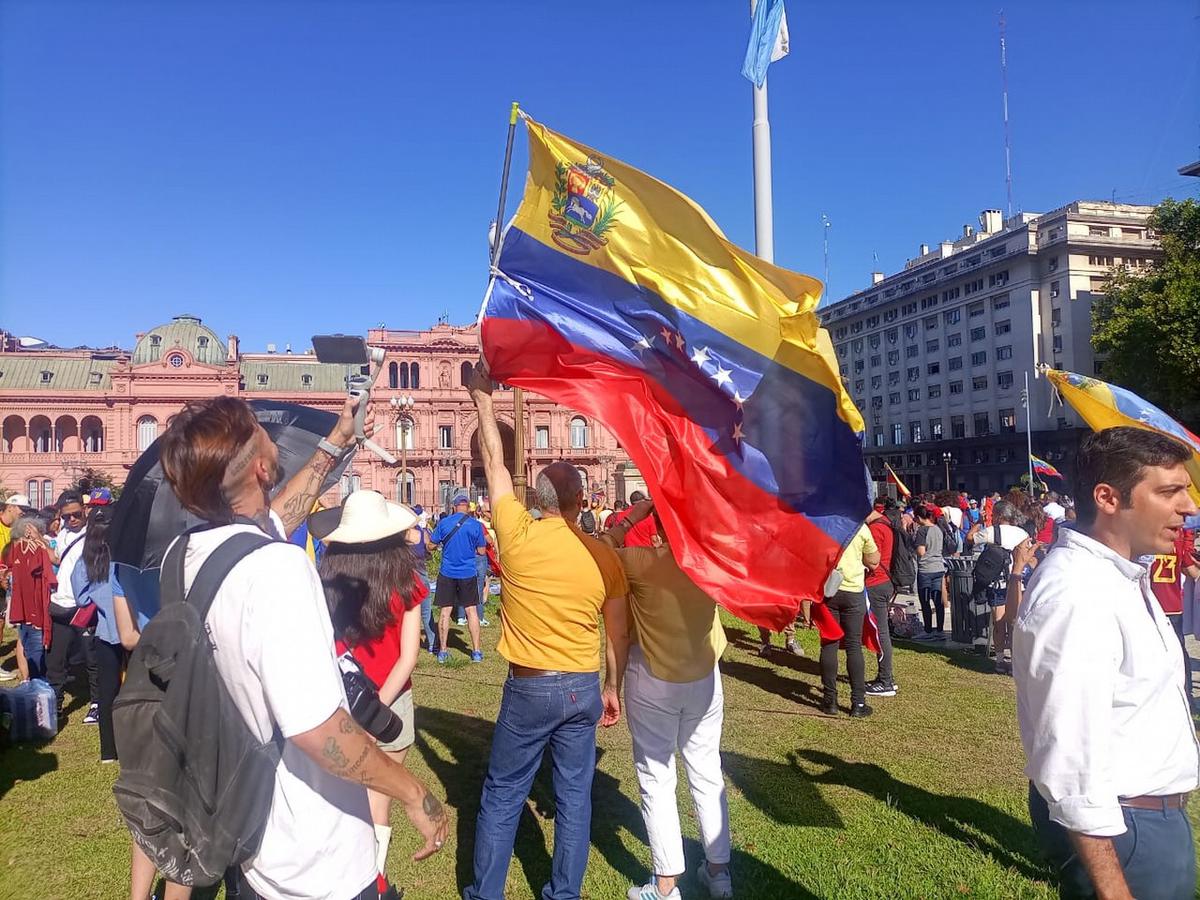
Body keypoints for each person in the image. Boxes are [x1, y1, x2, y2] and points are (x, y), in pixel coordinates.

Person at [154, 394, 447, 900]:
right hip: (314, 857)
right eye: (260, 430)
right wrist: (413, 793)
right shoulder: (278, 570)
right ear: (263, 467)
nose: (270, 433)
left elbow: (279, 515)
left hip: (246, 828)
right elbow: (318, 730)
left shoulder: (185, 557)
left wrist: (335, 444)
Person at [464, 362, 630, 900]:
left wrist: (483, 400)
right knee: (575, 796)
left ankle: (486, 893)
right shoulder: (604, 556)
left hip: (530, 684)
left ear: (537, 501)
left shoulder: (513, 533)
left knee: (504, 792)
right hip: (583, 684)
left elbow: (492, 460)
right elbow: (618, 635)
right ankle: (564, 893)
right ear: (582, 501)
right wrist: (613, 688)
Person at [1013, 427, 1199, 899]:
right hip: (1125, 830)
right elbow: (1070, 758)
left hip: (1146, 821)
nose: (1189, 507)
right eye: (1169, 491)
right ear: (1108, 498)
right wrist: (1113, 888)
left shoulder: (1118, 577)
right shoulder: (1078, 594)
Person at [603, 501, 733, 900]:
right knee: (707, 772)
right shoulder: (710, 561)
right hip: (703, 675)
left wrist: (635, 515)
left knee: (656, 778)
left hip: (654, 676)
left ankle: (664, 886)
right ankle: (719, 873)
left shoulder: (640, 561)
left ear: (657, 525)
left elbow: (602, 549)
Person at [316, 490, 428, 893]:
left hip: (342, 697)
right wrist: (377, 707)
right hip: (391, 704)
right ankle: (374, 880)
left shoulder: (328, 576)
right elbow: (409, 656)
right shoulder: (407, 580)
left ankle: (347, 874)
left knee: (342, 797)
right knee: (378, 798)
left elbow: (328, 644)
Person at [70, 504, 128, 762]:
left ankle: (108, 751)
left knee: (107, 692)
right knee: (139, 687)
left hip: (106, 632)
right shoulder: (126, 553)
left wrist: (98, 597)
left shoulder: (86, 560)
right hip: (133, 628)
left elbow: (81, 597)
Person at [45, 490, 99, 720]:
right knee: (55, 659)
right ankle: (55, 703)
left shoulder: (95, 534)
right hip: (60, 604)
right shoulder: (64, 533)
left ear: (84, 509)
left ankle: (97, 702)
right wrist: (40, 543)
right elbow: (58, 559)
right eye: (66, 517)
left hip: (84, 606)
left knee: (92, 657)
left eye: (76, 514)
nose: (72, 520)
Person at [968, 500, 1035, 675]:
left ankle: (999, 660)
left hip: (997, 582)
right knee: (1014, 623)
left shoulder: (991, 531)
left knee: (998, 623)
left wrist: (978, 523)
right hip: (1017, 581)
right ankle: (1014, 660)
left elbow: (969, 539)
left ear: (997, 515)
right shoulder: (1023, 533)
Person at [820, 523, 880, 717]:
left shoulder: (826, 524)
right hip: (853, 590)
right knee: (854, 646)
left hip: (828, 590)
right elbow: (874, 560)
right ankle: (858, 703)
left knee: (829, 643)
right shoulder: (861, 528)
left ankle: (830, 700)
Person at [430, 494, 487, 663]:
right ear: (468, 508)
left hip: (447, 572)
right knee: (471, 611)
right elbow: (482, 551)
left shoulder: (443, 523)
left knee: (445, 611)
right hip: (468, 572)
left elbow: (432, 545)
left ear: (454, 507)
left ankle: (443, 651)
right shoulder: (476, 525)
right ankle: (476, 651)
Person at [3, 514, 56, 682]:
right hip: (30, 612)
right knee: (32, 648)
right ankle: (36, 684)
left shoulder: (33, 551)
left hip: (30, 611)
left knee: (30, 646)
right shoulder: (18, 551)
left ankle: (34, 683)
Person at [1147, 523, 1199, 695]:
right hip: (1173, 605)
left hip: (1152, 604)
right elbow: (1191, 571)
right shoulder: (1175, 544)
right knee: (1178, 652)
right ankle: (1187, 694)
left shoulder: (1146, 543)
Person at [864, 507, 898, 698]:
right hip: (885, 581)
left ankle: (885, 680)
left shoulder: (875, 529)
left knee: (881, 632)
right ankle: (886, 678)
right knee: (882, 631)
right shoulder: (886, 523)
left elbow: (872, 561)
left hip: (876, 583)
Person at [0, 492, 33, 681]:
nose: (24, 513)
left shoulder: (15, 528)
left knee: (2, 621)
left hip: (7, 580)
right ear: (10, 506)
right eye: (22, 509)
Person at [912, 505, 947, 638]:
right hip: (939, 566)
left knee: (925, 600)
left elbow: (921, 551)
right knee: (938, 600)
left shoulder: (922, 531)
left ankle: (927, 630)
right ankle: (940, 629)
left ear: (920, 517)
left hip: (926, 568)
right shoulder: (938, 529)